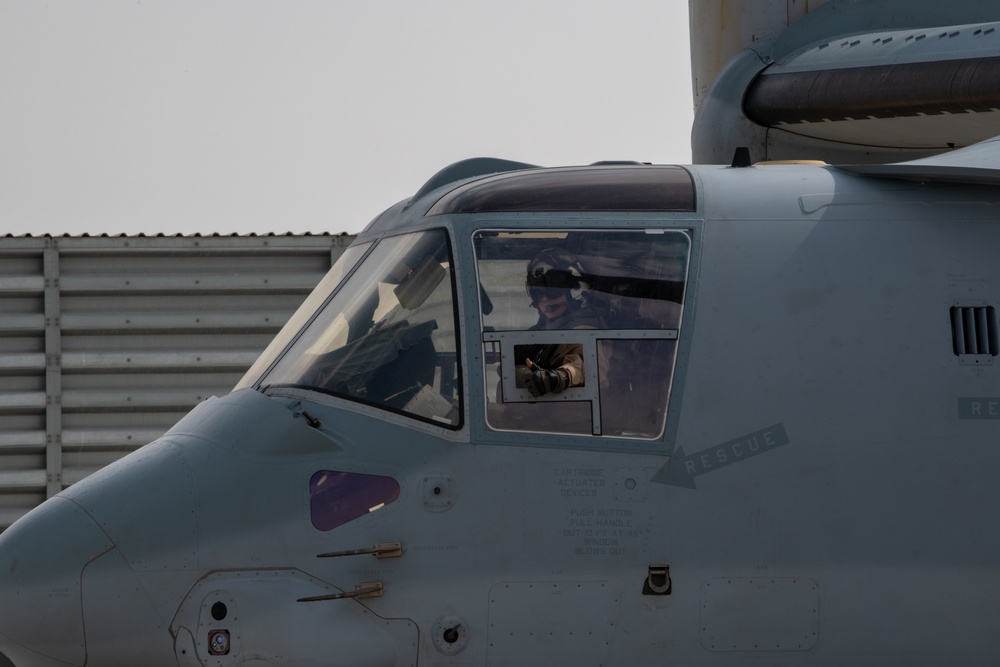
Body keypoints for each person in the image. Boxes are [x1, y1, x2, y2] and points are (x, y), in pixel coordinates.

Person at [515, 248, 605, 397]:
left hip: (573, 417)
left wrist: (560, 377)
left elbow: (591, 366)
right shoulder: (539, 332)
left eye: (553, 290)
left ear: (576, 289)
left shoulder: (584, 328)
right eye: (537, 292)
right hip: (537, 414)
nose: (544, 299)